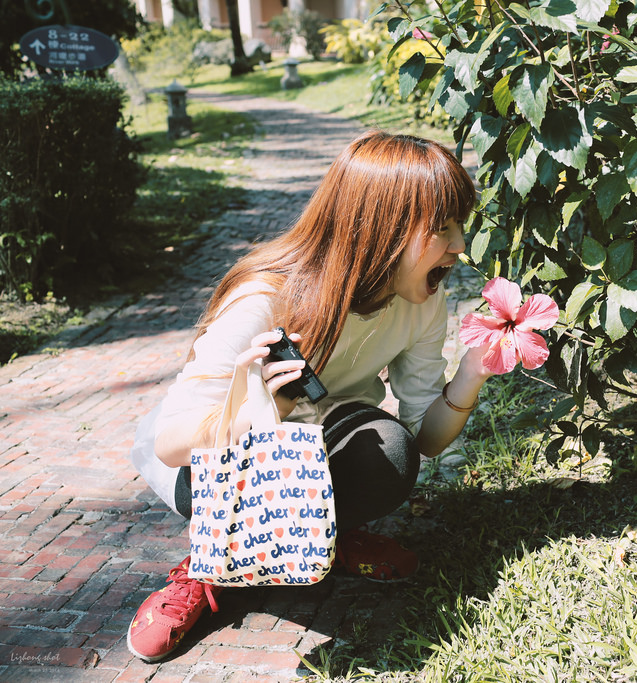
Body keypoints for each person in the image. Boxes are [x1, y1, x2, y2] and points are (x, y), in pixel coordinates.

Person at [126, 130, 495, 663]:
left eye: (459, 225)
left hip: (323, 435)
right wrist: (257, 416)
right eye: (442, 228)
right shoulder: (265, 294)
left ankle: (324, 537)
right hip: (215, 455)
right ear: (381, 231)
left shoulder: (422, 298)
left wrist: (474, 372)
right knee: (226, 466)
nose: (460, 244)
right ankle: (211, 564)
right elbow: (172, 443)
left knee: (393, 454)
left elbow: (426, 438)